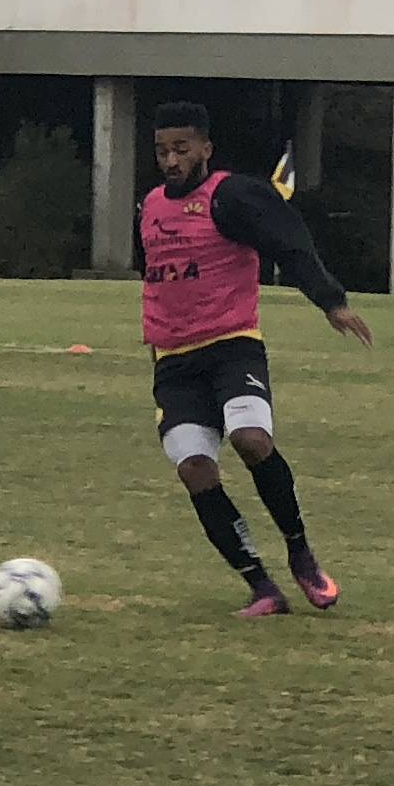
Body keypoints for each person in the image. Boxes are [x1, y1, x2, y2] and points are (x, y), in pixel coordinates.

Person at [138, 101, 373, 617]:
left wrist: (330, 300)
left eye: (181, 149)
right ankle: (261, 585)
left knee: (251, 439)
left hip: (231, 347)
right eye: (162, 151)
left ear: (205, 148)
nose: (172, 161)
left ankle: (300, 553)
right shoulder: (151, 205)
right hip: (174, 363)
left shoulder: (231, 195)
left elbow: (290, 243)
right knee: (196, 469)